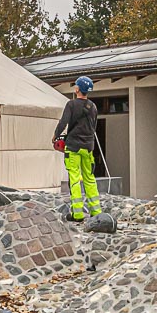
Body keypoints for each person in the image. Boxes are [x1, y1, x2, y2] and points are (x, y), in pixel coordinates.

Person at [53, 75, 101, 221]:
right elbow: (94, 127)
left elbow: (63, 122)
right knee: (89, 178)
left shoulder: (71, 104)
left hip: (73, 146)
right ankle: (96, 212)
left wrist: (55, 136)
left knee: (74, 178)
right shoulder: (93, 106)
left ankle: (78, 214)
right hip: (88, 147)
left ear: (77, 89)